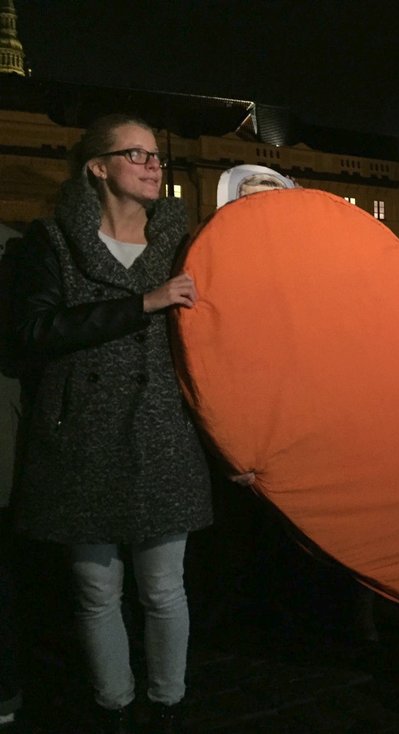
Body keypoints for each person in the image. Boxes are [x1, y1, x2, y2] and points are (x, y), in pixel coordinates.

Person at [14, 114, 212, 733]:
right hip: (79, 438)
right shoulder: (50, 244)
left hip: (163, 436)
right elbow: (31, 332)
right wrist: (142, 303)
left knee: (163, 590)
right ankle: (114, 705)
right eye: (137, 154)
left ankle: (167, 701)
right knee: (97, 593)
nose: (155, 166)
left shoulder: (185, 247)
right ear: (97, 168)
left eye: (157, 156)